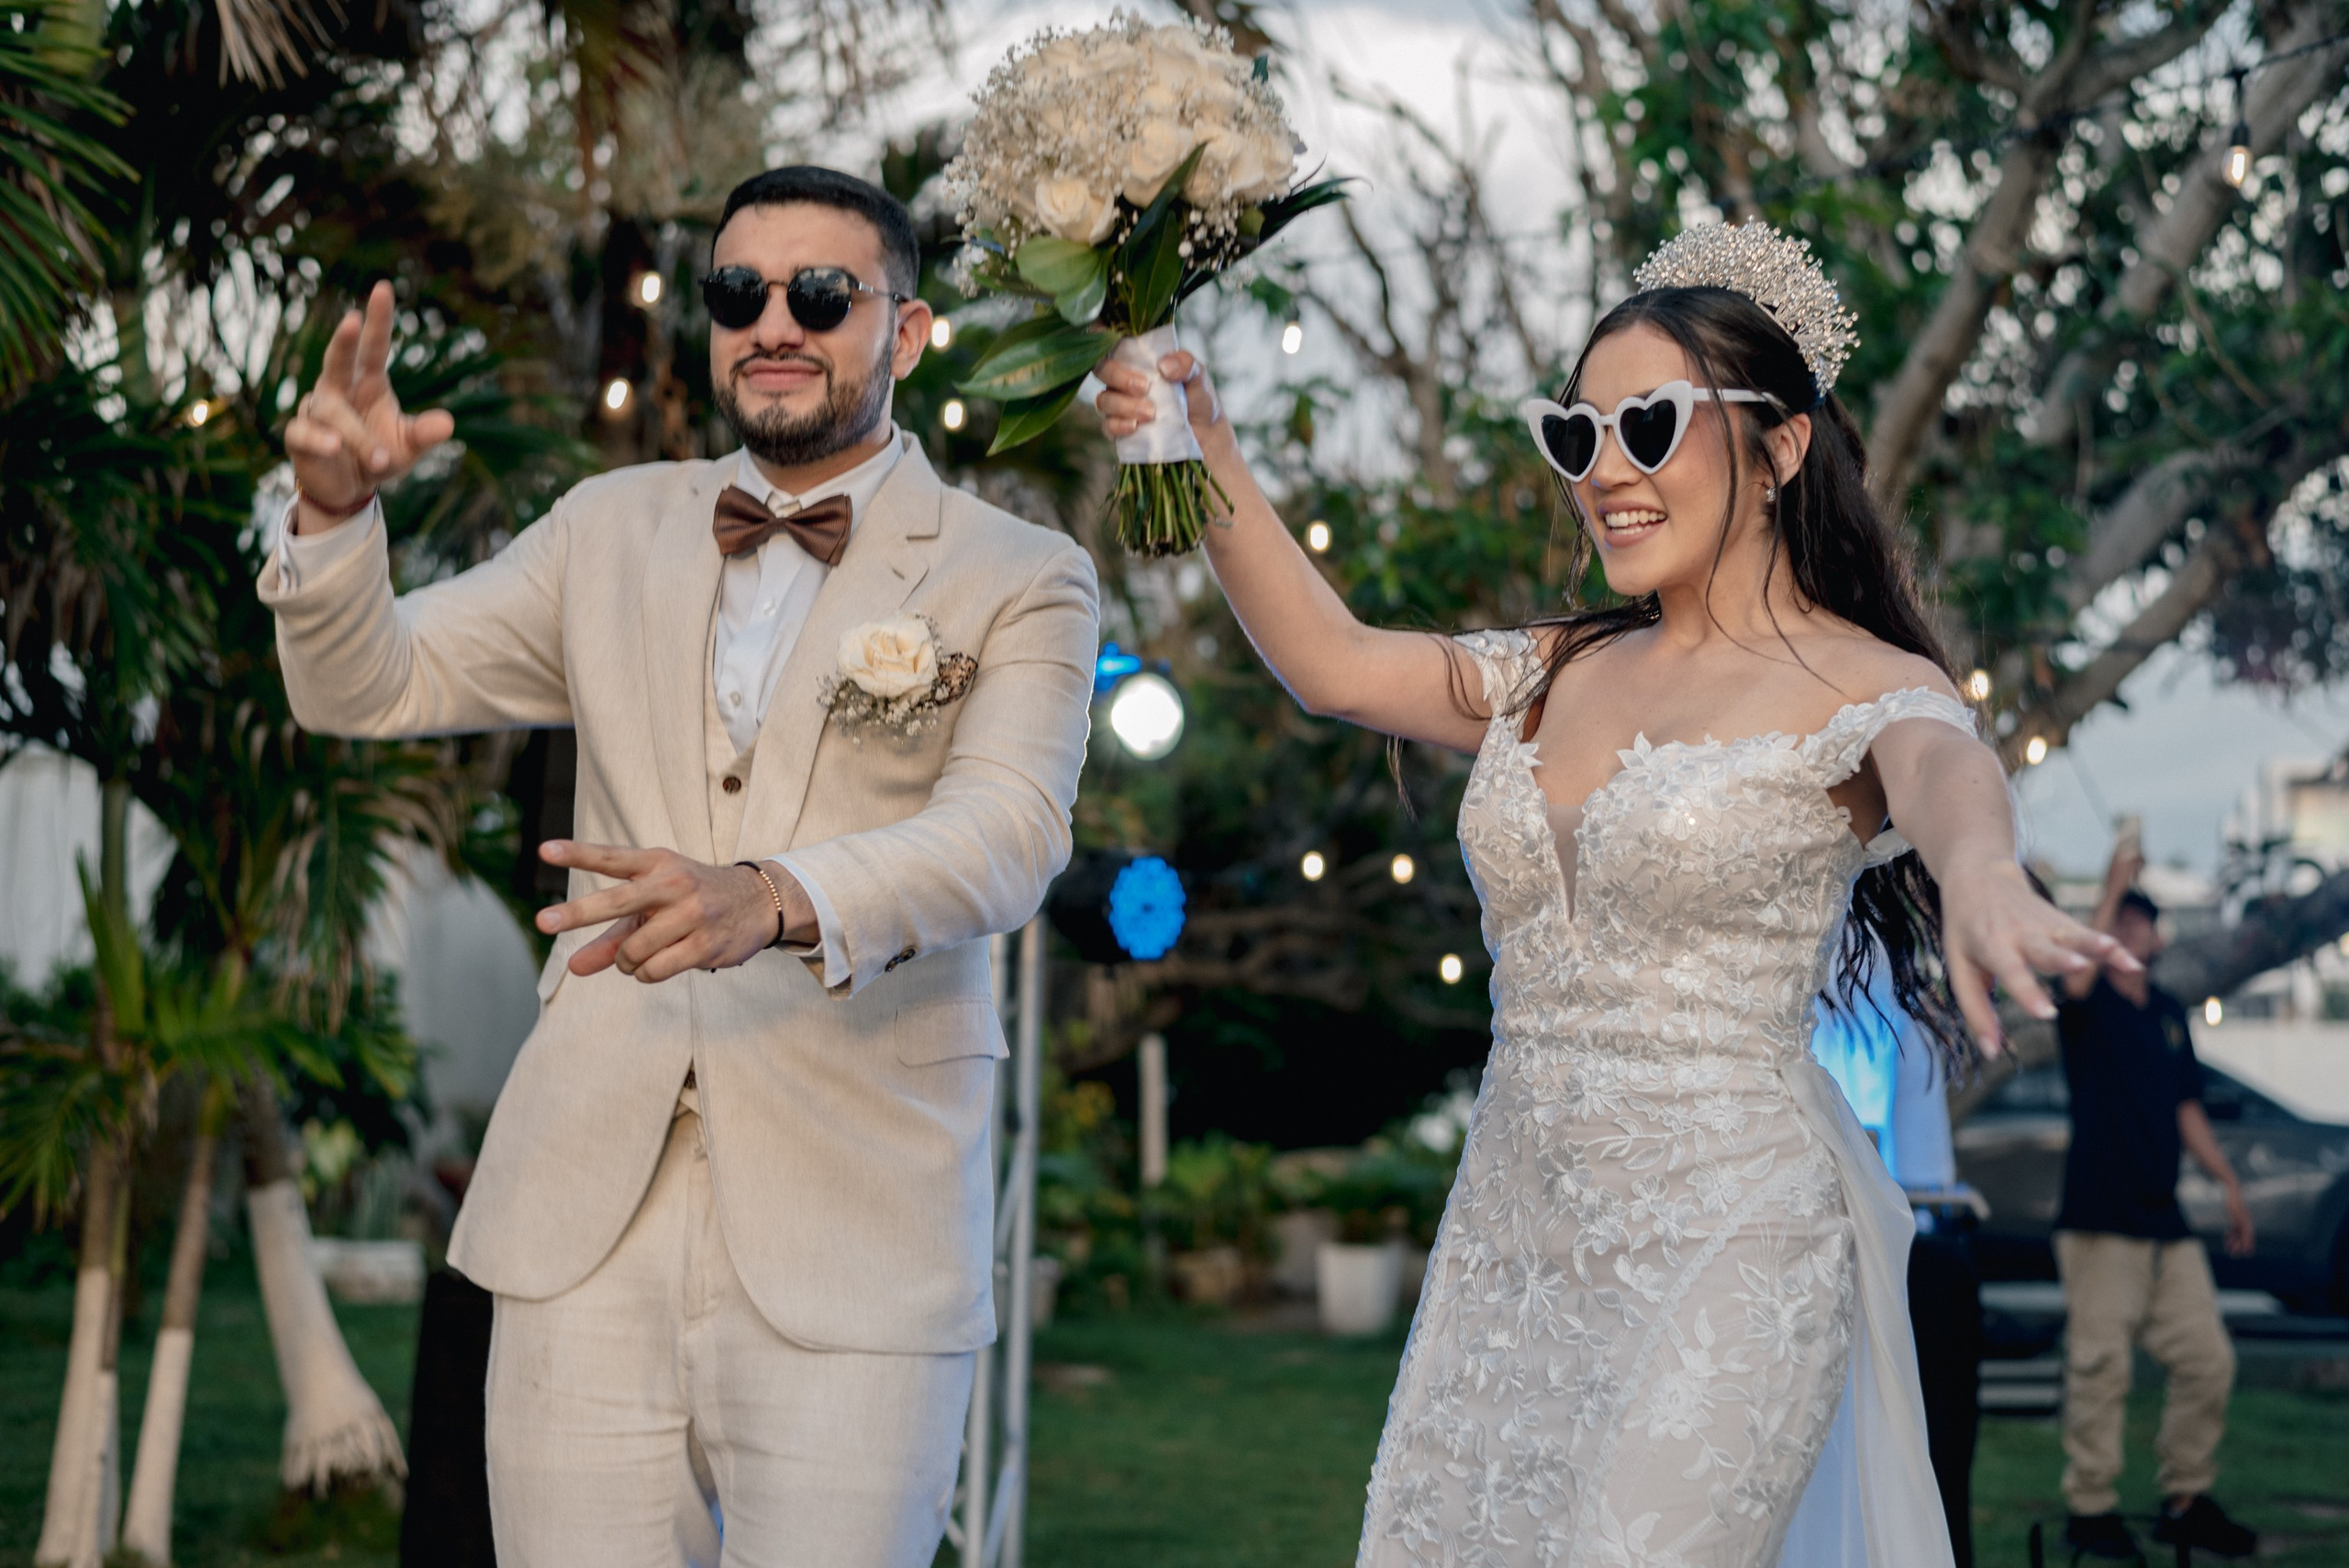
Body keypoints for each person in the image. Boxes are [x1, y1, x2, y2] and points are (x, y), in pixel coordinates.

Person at [1094, 220, 2132, 1568]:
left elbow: (1946, 775)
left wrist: (1986, 878)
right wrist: (1205, 444)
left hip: (1735, 1241)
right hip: (1513, 1247)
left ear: (1782, 443)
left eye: (1647, 424)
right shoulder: (1552, 668)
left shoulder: (1866, 684)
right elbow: (1335, 663)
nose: (1607, 471)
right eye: (1574, 437)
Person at [261, 166, 1099, 1566]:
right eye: (738, 294)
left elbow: (1009, 834)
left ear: (908, 330)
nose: (774, 323)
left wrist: (772, 894)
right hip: (580, 1220)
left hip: (859, 1231)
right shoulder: (611, 526)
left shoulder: (1018, 571)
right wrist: (336, 518)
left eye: (820, 294)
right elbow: (372, 684)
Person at [2054, 836, 2259, 1562]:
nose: (2127, 930)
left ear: (2158, 935)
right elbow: (2074, 979)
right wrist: (2110, 882)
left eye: (2139, 921)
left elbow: (2186, 1110)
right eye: (2119, 922)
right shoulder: (2088, 1003)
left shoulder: (2168, 1013)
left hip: (2164, 1219)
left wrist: (2228, 1185)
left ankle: (2184, 1498)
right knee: (2100, 1366)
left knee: (2209, 1358)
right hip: (2100, 1217)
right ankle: (2091, 1507)